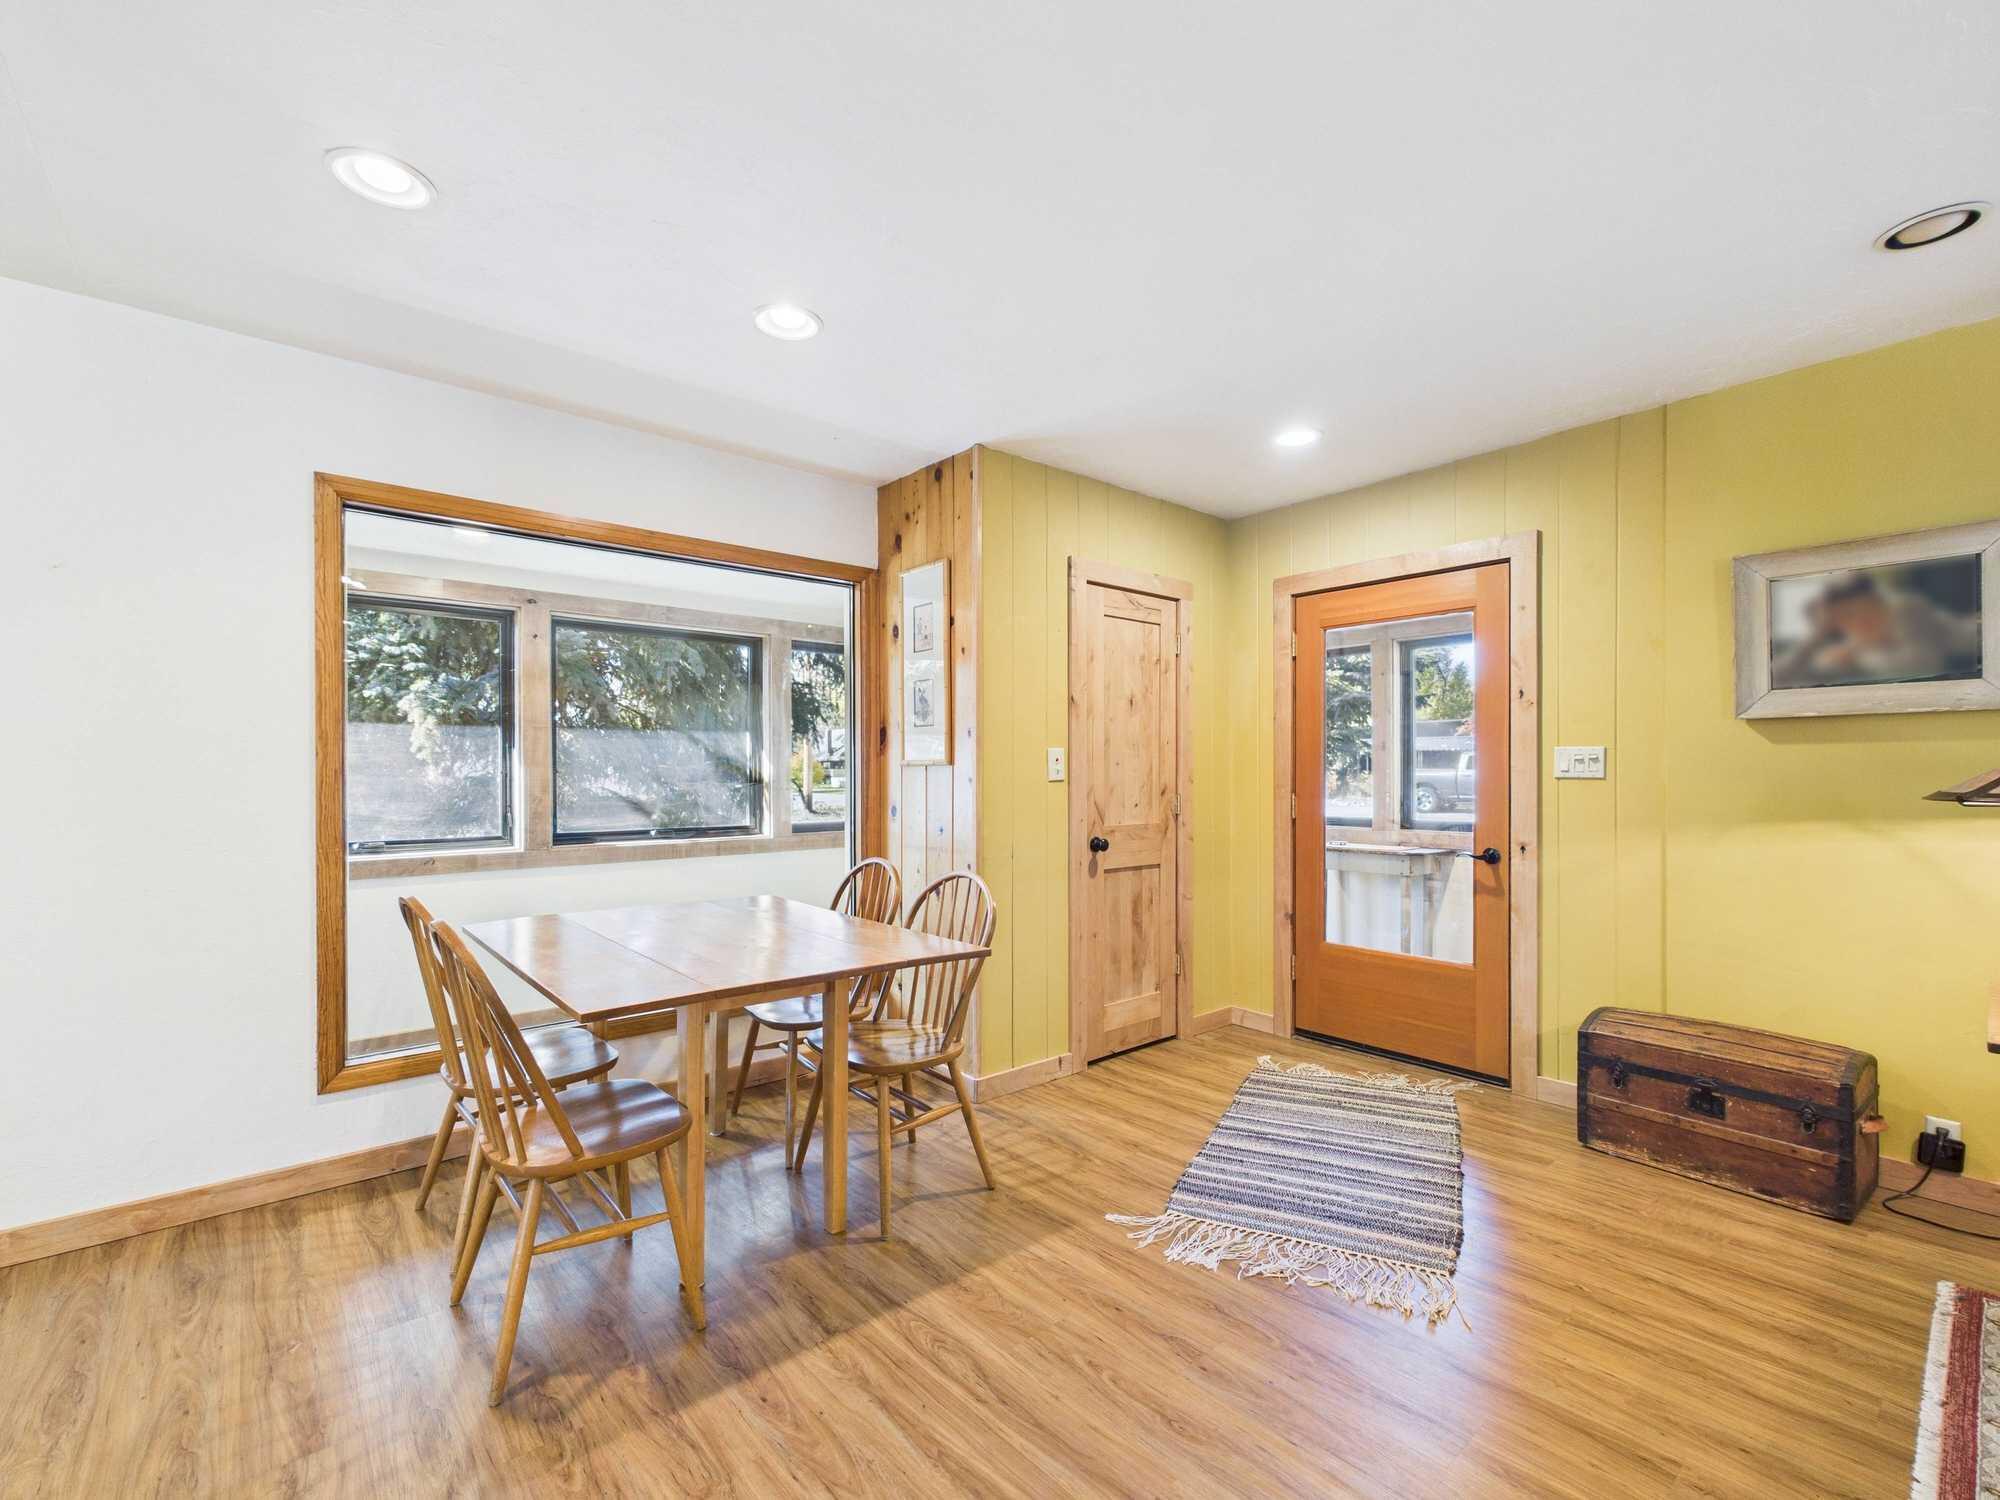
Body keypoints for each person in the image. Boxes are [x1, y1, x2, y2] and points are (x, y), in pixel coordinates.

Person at [1772, 569, 1982, 688]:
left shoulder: (1906, 608)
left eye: (1860, 611)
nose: (1857, 622)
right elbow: (1778, 676)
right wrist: (1816, 635)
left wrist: (1857, 653)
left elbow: (1925, 663)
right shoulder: (1848, 642)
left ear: (1876, 602)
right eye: (1843, 618)